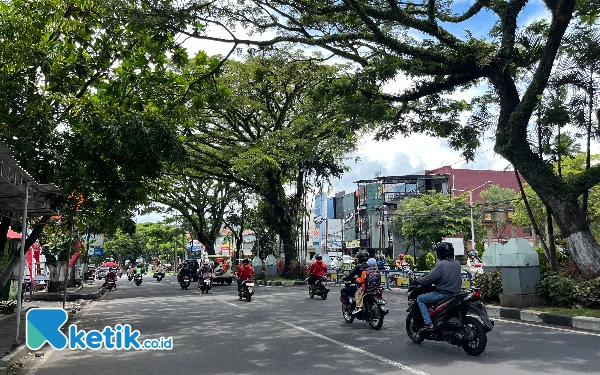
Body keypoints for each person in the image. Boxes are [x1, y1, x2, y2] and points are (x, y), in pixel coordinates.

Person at [414, 242, 462, 332]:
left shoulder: (441, 264)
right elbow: (448, 277)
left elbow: (428, 279)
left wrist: (417, 280)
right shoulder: (457, 263)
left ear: (440, 252)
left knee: (420, 298)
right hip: (456, 294)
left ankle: (429, 324)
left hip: (443, 294)